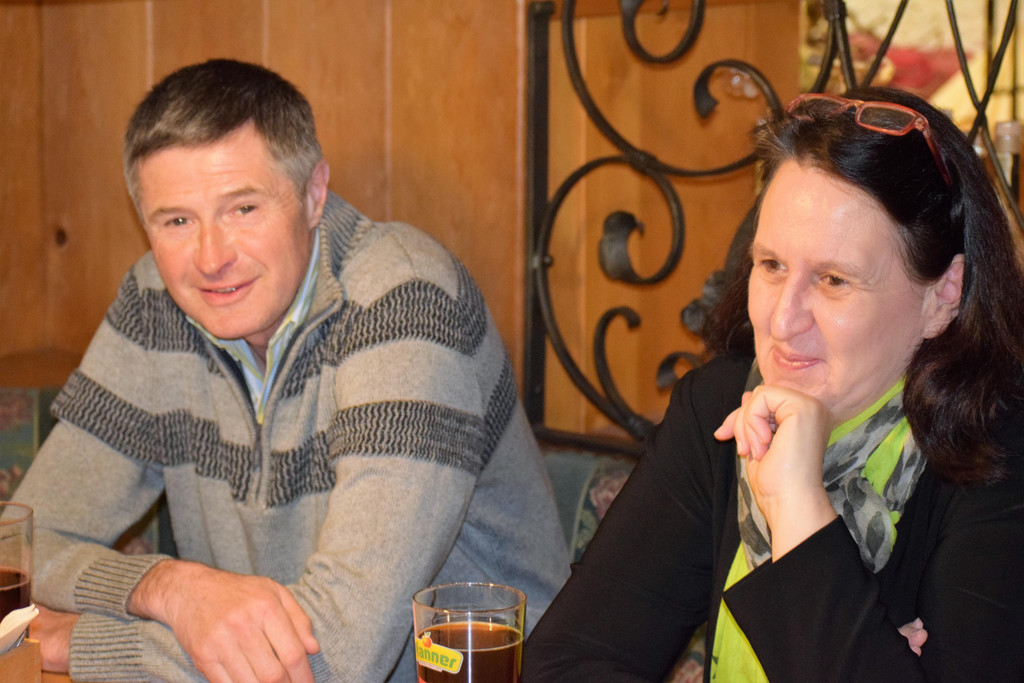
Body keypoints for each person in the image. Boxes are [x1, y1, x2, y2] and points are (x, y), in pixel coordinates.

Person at [15, 58, 569, 682]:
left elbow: (337, 654)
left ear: (313, 194)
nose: (211, 258)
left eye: (244, 209)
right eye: (177, 221)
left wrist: (74, 644)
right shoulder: (156, 304)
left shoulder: (406, 303)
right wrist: (170, 588)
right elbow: (24, 545)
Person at [523, 86, 1024, 681]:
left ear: (942, 296)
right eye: (772, 265)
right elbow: (563, 664)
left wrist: (796, 506)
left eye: (834, 280)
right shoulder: (720, 407)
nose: (782, 321)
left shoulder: (1000, 458)